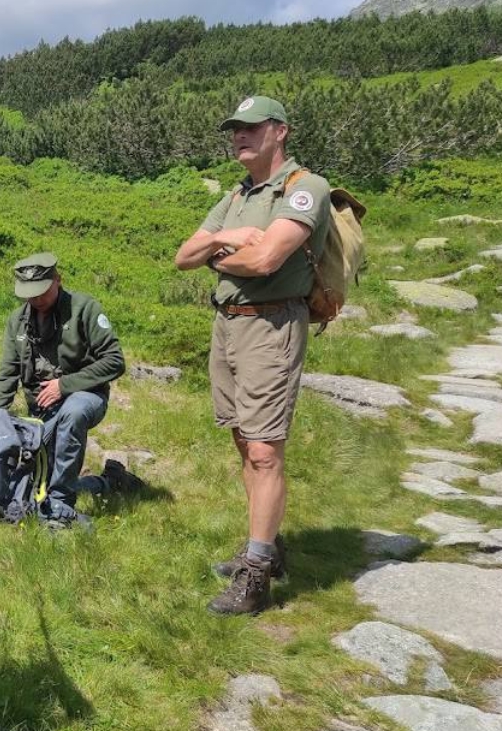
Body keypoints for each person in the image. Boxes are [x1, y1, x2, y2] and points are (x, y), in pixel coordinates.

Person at [173, 96, 330, 615]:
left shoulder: (305, 188)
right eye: (235, 129)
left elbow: (265, 260)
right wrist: (224, 237)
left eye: (251, 127)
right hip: (229, 325)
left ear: (280, 131)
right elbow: (183, 257)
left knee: (264, 450)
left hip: (271, 326)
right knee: (244, 440)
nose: (239, 136)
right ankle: (267, 545)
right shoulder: (237, 196)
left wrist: (217, 257)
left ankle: (256, 575)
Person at [0, 252, 127, 522]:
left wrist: (65, 385)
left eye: (42, 292)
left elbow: (115, 361)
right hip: (42, 412)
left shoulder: (84, 309)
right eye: (30, 295)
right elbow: (7, 376)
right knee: (32, 486)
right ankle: (110, 481)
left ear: (57, 280)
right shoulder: (17, 321)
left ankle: (61, 507)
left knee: (72, 414)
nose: (36, 300)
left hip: (86, 397)